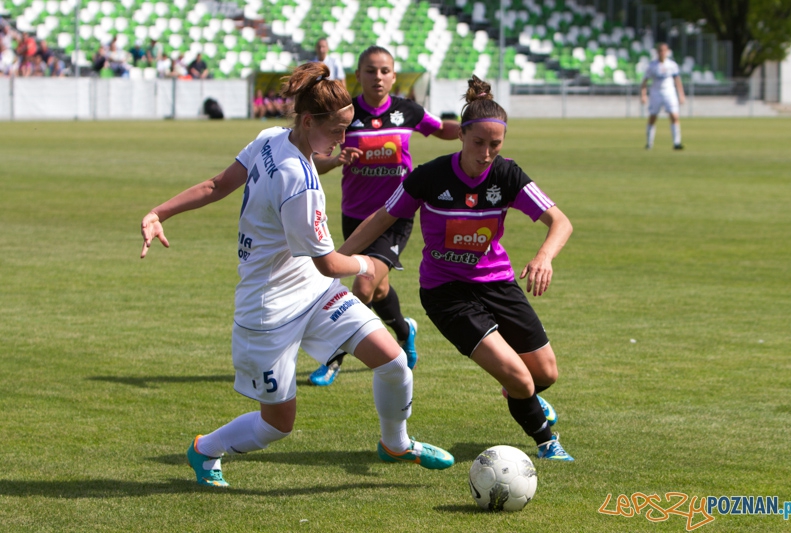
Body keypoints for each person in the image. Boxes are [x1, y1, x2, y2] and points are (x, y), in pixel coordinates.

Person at [140, 61, 454, 487]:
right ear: (308, 122)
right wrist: (370, 264)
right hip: (268, 309)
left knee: (395, 363)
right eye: (337, 130)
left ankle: (396, 444)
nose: (344, 139)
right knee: (277, 426)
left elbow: (217, 185)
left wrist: (159, 212)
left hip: (315, 292)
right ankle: (205, 449)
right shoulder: (298, 181)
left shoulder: (271, 138)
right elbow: (330, 263)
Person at [339, 76, 575, 461]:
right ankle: (548, 442)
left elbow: (560, 222)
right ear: (461, 135)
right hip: (445, 292)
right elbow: (382, 218)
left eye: (495, 145)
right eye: (478, 143)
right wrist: (335, 260)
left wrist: (544, 256)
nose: (486, 153)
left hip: (497, 283)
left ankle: (522, 394)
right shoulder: (430, 177)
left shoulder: (507, 175)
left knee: (545, 374)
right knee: (519, 376)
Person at [307, 45, 461, 387]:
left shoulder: (408, 110)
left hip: (396, 215)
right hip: (355, 217)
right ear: (357, 76)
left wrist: (473, 128)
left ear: (393, 76)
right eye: (370, 70)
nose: (378, 77)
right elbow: (314, 159)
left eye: (384, 71)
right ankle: (405, 331)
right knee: (379, 290)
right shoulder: (345, 115)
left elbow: (441, 129)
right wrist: (335, 160)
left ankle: (333, 358)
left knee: (363, 285)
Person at [641, 43, 685, 150]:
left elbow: (677, 80)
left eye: (664, 51)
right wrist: (643, 95)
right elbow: (645, 81)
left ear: (667, 52)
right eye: (660, 51)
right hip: (656, 93)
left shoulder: (672, 65)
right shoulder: (652, 66)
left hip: (669, 92)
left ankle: (677, 143)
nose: (662, 53)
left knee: (674, 116)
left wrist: (681, 94)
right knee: (653, 117)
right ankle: (649, 143)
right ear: (657, 52)